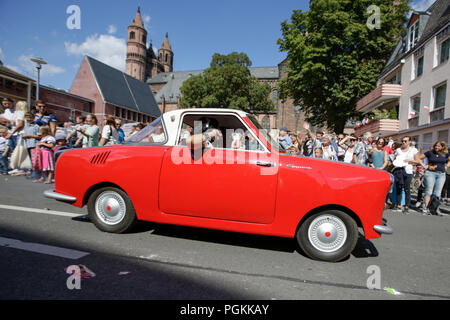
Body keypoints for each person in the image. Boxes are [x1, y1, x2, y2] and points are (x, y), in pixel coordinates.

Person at [417, 141, 450, 216]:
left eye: (438, 146)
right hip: (430, 173)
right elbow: (419, 158)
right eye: (436, 146)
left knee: (437, 193)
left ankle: (434, 209)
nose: (437, 147)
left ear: (442, 147)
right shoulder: (430, 153)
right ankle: (425, 208)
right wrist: (425, 166)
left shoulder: (445, 154)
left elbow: (449, 160)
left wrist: (446, 166)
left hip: (441, 174)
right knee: (429, 191)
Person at [392, 136, 418, 214]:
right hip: (399, 171)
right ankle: (398, 204)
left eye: (405, 141)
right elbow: (395, 160)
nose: (403, 142)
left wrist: (409, 160)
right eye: (403, 141)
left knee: (407, 189)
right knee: (399, 188)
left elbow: (417, 161)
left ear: (410, 142)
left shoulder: (413, 150)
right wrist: (395, 157)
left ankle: (407, 206)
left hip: (408, 171)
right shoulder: (398, 150)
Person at [21, 112, 41, 179]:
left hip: (34, 144)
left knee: (35, 160)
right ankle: (33, 173)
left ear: (33, 118)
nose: (29, 119)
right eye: (27, 117)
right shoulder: (26, 126)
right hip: (28, 144)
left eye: (30, 117)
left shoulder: (36, 126)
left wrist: (29, 136)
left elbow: (39, 136)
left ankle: (36, 174)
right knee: (31, 160)